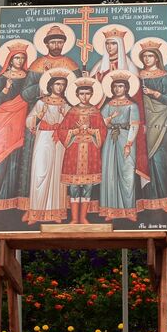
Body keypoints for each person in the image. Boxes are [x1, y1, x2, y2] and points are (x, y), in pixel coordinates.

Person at [55, 77, 108, 225]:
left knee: (87, 187)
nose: (85, 96)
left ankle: (83, 218)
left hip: (91, 151)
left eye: (87, 94)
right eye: (82, 94)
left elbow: (102, 131)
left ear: (91, 95)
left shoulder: (95, 111)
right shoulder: (72, 112)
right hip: (74, 150)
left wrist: (91, 131)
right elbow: (62, 130)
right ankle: (74, 218)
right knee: (73, 187)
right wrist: (75, 130)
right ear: (77, 95)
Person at [0, 44, 32, 213]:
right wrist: (5, 90)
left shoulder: (27, 77)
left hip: (20, 120)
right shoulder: (1, 78)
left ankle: (8, 202)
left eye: (22, 58)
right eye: (17, 58)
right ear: (10, 60)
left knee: (14, 162)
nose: (20, 61)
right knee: (0, 160)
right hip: (3, 119)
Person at [23, 71, 72, 225]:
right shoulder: (41, 103)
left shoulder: (66, 105)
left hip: (59, 142)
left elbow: (73, 123)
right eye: (58, 84)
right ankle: (35, 212)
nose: (60, 87)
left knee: (57, 174)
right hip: (44, 138)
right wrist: (39, 116)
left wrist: (65, 118)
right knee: (40, 172)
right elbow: (29, 121)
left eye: (63, 84)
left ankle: (56, 212)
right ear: (51, 85)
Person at [135, 41, 167, 216]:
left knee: (159, 160)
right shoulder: (138, 76)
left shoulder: (164, 76)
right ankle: (146, 200)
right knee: (145, 160)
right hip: (143, 120)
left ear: (157, 58)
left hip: (161, 120)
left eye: (150, 55)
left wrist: (153, 93)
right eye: (144, 56)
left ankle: (163, 200)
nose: (147, 59)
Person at [98, 74, 142, 222]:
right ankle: (111, 210)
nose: (118, 89)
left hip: (125, 138)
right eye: (115, 86)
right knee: (110, 173)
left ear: (126, 88)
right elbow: (100, 123)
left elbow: (134, 125)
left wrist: (129, 144)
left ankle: (129, 211)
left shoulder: (132, 105)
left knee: (127, 174)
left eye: (121, 86)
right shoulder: (108, 106)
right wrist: (109, 119)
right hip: (110, 140)